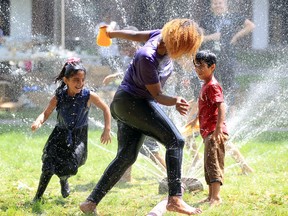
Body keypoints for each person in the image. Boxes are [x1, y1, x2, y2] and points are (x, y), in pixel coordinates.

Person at [80, 18, 203, 215]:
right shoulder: (148, 56)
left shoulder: (160, 36)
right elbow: (157, 95)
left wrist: (111, 34)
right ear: (177, 42)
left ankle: (90, 203)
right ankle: (175, 199)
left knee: (127, 156)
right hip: (133, 103)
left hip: (127, 103)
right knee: (175, 140)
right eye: (186, 47)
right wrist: (176, 100)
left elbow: (136, 35)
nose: (185, 53)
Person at [31, 57, 112, 201]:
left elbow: (106, 109)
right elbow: (46, 112)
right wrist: (38, 121)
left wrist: (107, 129)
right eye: (75, 80)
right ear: (66, 80)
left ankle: (63, 179)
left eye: (82, 80)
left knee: (71, 166)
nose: (80, 83)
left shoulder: (88, 96)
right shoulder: (59, 96)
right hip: (59, 134)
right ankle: (37, 197)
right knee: (48, 165)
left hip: (78, 136)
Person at [102, 26, 166, 183]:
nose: (124, 51)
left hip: (144, 107)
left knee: (151, 149)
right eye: (122, 47)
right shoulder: (137, 55)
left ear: (134, 45)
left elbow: (143, 76)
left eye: (126, 46)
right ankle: (126, 176)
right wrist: (115, 75)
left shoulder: (147, 54)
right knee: (126, 144)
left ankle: (171, 175)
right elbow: (131, 72)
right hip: (132, 107)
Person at [186, 50, 228, 206]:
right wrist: (195, 120)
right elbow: (205, 107)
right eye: (196, 66)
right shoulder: (205, 85)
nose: (198, 70)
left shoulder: (212, 86)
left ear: (212, 67)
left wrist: (218, 128)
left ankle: (216, 197)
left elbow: (221, 106)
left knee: (213, 163)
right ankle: (211, 196)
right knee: (208, 163)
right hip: (207, 131)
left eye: (202, 66)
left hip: (214, 132)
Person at [199, 0, 255, 107]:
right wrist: (211, 37)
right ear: (211, 6)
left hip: (228, 57)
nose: (218, 5)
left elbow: (251, 26)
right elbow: (199, 38)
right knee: (210, 84)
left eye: (220, 3)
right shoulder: (206, 19)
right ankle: (213, 110)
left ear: (225, 4)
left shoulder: (234, 16)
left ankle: (231, 113)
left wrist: (236, 36)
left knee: (229, 86)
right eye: (215, 3)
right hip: (211, 58)